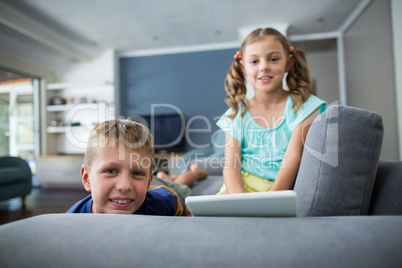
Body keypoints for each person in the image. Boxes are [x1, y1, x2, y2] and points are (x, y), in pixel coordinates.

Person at [217, 27, 327, 194]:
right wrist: (239, 202)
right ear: (243, 69)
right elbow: (231, 166)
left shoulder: (305, 108)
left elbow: (293, 157)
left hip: (279, 188)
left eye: (273, 59)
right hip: (239, 189)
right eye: (254, 61)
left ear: (288, 63)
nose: (264, 67)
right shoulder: (236, 114)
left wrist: (272, 199)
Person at [67, 119, 189, 216]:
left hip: (171, 188)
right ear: (87, 178)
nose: (124, 186)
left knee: (184, 184)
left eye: (138, 173)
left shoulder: (165, 202)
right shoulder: (72, 220)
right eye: (110, 171)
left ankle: (193, 174)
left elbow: (187, 214)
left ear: (148, 182)